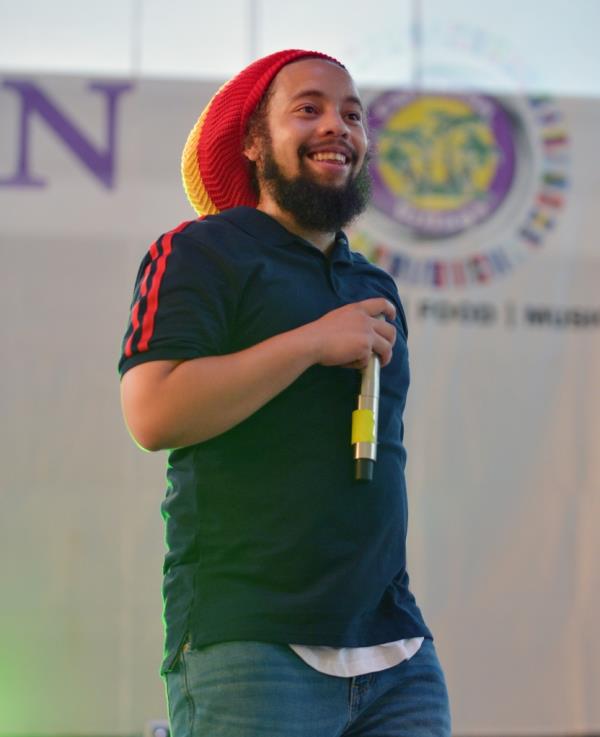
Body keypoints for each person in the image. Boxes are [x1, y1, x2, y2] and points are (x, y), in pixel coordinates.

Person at [119, 49, 451, 737]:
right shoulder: (203, 251)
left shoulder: (373, 285)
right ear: (252, 141)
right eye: (309, 109)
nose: (339, 126)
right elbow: (153, 412)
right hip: (252, 646)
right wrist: (310, 342)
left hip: (398, 653)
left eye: (353, 115)